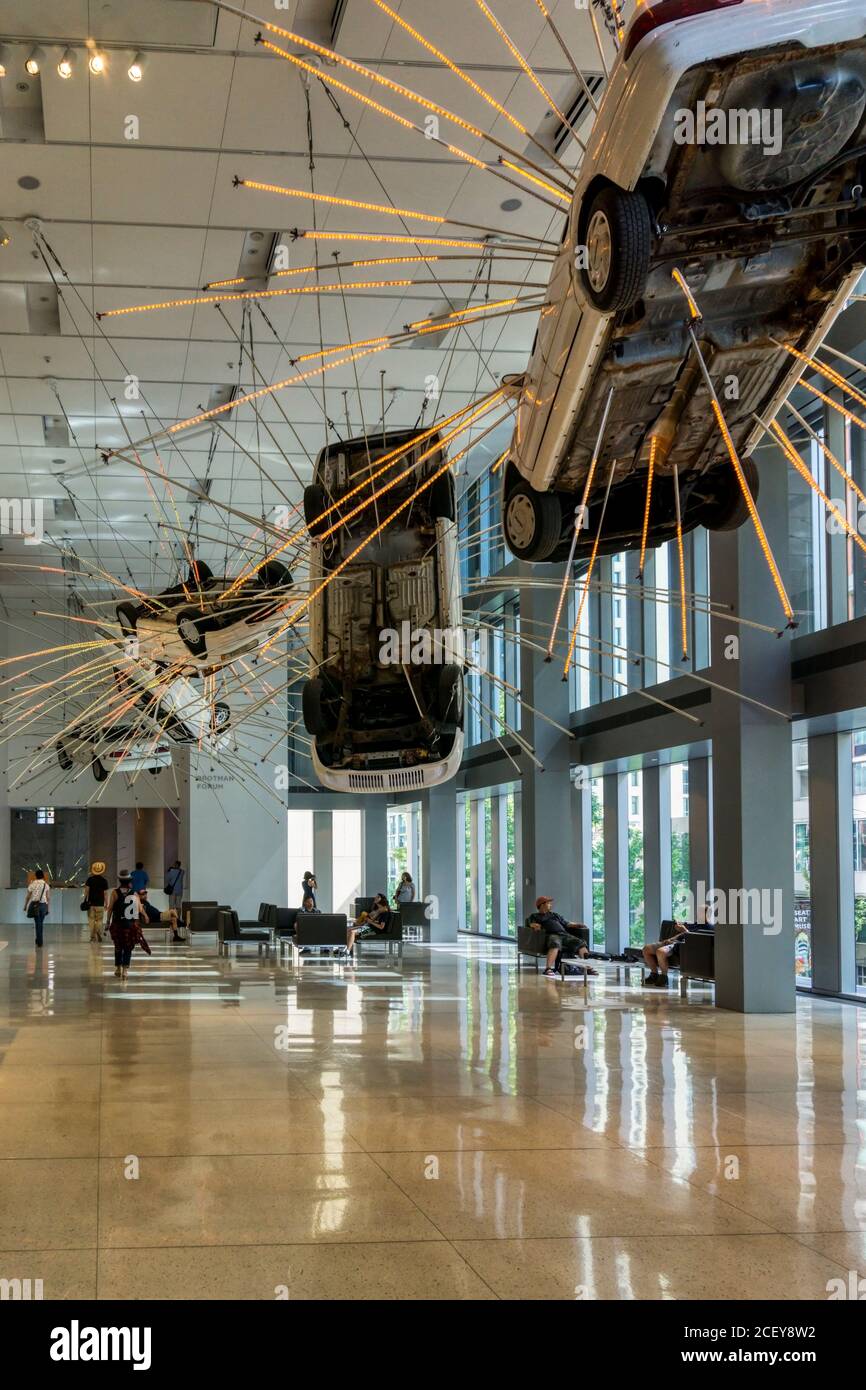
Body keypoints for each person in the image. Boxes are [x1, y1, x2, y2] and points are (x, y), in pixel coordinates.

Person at [529, 895, 607, 981]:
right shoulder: (535, 916)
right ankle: (548, 969)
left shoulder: (554, 915)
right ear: (542, 904)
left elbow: (567, 923)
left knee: (580, 943)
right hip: (551, 935)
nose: (550, 905)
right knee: (555, 943)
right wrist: (535, 926)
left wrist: (577, 924)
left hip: (564, 935)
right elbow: (530, 924)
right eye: (549, 903)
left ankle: (587, 968)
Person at [107, 871, 151, 979]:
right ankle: (125, 970)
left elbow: (110, 908)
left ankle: (118, 968)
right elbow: (140, 908)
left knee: (118, 946)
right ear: (129, 881)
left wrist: (108, 921)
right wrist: (145, 915)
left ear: (120, 881)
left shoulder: (115, 893)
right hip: (130, 925)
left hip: (118, 924)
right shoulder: (134, 893)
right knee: (128, 947)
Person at [642, 922, 690, 987]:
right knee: (646, 949)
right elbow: (683, 933)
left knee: (660, 952)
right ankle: (654, 974)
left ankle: (664, 977)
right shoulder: (693, 923)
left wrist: (684, 930)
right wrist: (671, 938)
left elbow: (693, 937)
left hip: (679, 945)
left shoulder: (705, 926)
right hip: (671, 941)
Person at [82, 860, 109, 942]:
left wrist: (85, 899)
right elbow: (105, 894)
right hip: (100, 904)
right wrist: (106, 903)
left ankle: (92, 937)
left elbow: (86, 891)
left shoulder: (90, 880)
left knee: (91, 920)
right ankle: (98, 932)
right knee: (99, 920)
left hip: (90, 904)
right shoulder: (104, 881)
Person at [24, 869, 50, 949]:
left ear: (35, 876)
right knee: (40, 923)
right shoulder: (46, 885)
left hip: (35, 905)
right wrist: (48, 908)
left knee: (38, 923)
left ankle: (39, 941)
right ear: (43, 876)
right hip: (43, 906)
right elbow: (48, 898)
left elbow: (28, 896)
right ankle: (38, 940)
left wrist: (25, 906)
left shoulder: (32, 884)